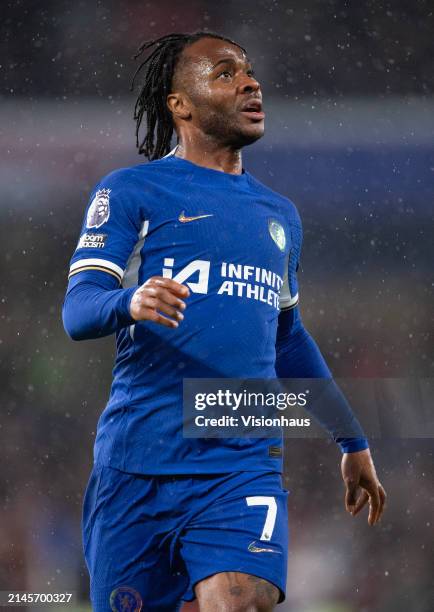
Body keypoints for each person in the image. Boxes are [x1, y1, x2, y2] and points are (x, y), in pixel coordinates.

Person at [62, 31, 386, 612]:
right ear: (179, 105)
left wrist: (351, 440)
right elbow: (78, 310)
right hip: (137, 465)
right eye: (225, 72)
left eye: (250, 72)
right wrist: (128, 302)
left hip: (239, 465)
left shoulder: (279, 215)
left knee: (240, 601)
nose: (250, 82)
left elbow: (287, 337)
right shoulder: (132, 192)